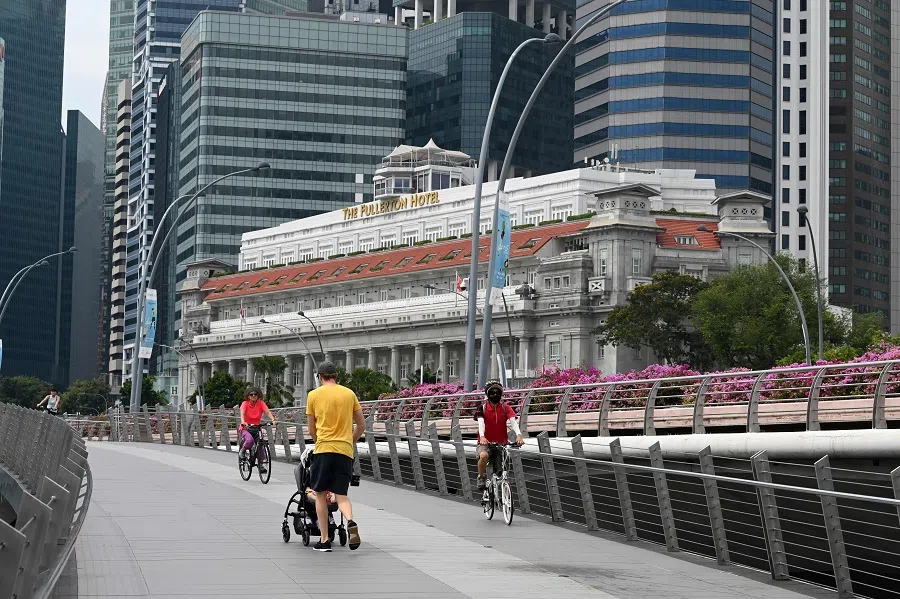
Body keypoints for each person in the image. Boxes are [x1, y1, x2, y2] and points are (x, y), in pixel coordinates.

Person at [306, 361, 365, 552]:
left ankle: (324, 540)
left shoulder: (313, 395)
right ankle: (350, 521)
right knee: (341, 495)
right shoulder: (349, 394)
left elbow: (311, 428)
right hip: (344, 450)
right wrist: (350, 441)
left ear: (320, 376)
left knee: (320, 494)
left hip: (324, 449)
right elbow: (361, 426)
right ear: (336, 376)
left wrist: (319, 442)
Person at [475, 380, 524, 489]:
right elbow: (481, 424)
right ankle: (481, 476)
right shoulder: (481, 408)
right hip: (485, 442)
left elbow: (513, 422)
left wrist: (519, 435)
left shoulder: (505, 408)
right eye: (492, 392)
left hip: (501, 443)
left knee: (500, 472)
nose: (495, 395)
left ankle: (500, 495)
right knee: (483, 455)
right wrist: (482, 437)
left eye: (498, 392)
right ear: (487, 394)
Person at [239, 387, 277, 474]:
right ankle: (243, 451)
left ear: (258, 396)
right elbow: (242, 413)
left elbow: (267, 412)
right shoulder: (245, 403)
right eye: (251, 394)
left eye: (255, 394)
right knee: (249, 440)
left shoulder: (261, 403)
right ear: (248, 396)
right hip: (246, 428)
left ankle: (261, 465)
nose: (253, 396)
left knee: (261, 445)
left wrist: (273, 420)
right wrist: (243, 422)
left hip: (256, 427)